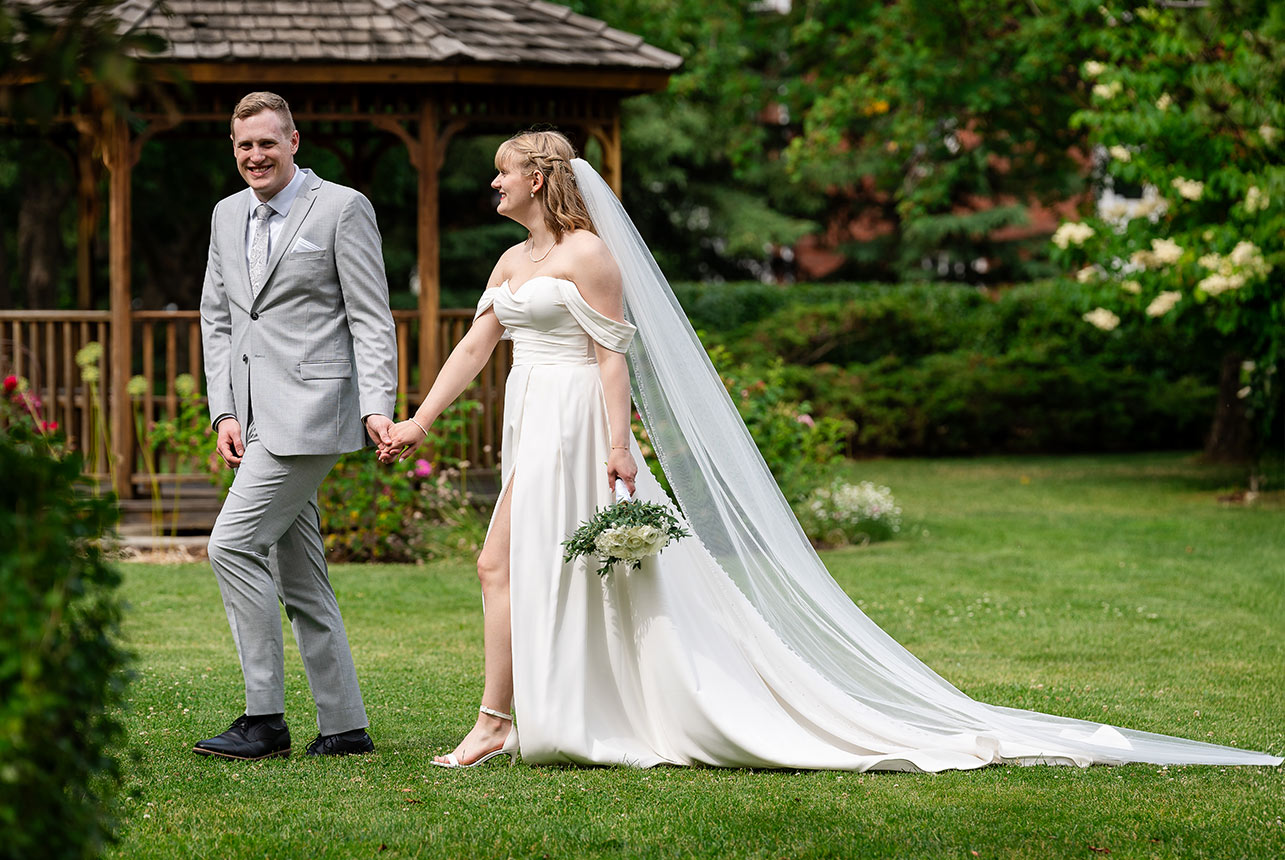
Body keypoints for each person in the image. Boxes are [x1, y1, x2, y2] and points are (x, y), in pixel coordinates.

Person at [379, 130, 1281, 772]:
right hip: (530, 417)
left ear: (539, 178)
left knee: (538, 567)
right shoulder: (510, 263)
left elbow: (614, 357)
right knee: (505, 565)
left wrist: (619, 448)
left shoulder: (589, 256)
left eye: (502, 174)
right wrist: (418, 421)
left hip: (578, 420)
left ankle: (510, 718)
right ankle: (515, 713)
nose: (491, 186)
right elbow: (475, 347)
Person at [196, 91, 397, 760]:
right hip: (253, 415)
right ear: (233, 148)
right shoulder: (226, 213)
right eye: (244, 145)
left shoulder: (341, 208)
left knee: (230, 546)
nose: (256, 155)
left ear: (293, 141)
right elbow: (218, 319)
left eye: (267, 142)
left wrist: (377, 404)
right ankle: (345, 728)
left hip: (314, 411)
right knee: (303, 577)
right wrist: (224, 409)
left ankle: (264, 719)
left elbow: (370, 316)